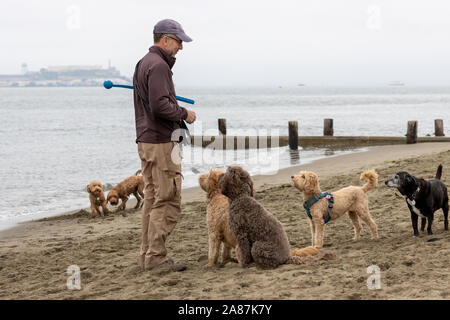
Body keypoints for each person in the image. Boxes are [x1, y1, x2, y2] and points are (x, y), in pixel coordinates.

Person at [133, 19, 196, 272]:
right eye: (179, 41)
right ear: (166, 39)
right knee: (168, 198)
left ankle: (146, 256)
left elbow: (153, 103)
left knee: (152, 197)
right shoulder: (158, 65)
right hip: (160, 142)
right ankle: (156, 258)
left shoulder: (143, 63)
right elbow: (160, 106)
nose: (181, 47)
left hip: (146, 140)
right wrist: (184, 114)